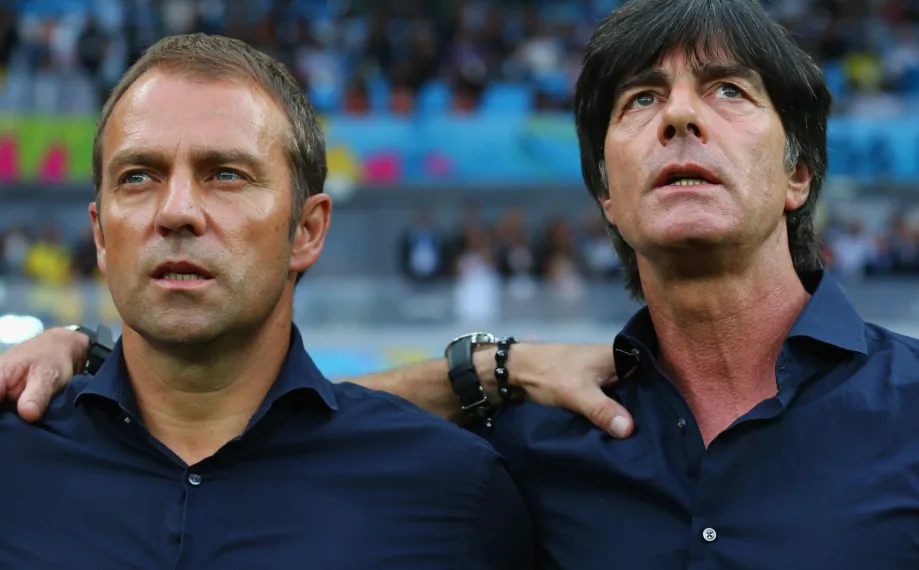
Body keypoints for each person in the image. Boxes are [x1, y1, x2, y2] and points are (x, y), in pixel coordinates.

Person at [1, 1, 919, 569]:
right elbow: (281, 441)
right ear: (606, 197)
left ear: (799, 172)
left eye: (727, 93)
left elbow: (296, 439)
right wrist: (88, 359)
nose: (678, 115)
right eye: (639, 102)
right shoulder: (530, 457)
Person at [0, 33, 535, 569]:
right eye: (138, 176)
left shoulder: (450, 491)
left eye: (225, 175)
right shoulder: (13, 464)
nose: (176, 211)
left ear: (306, 230)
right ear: (99, 234)